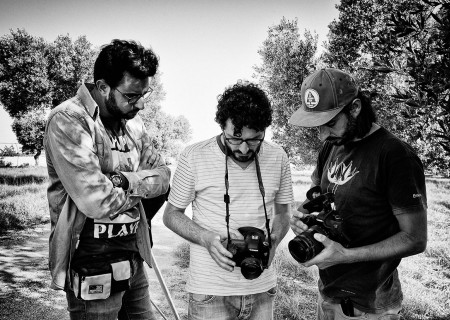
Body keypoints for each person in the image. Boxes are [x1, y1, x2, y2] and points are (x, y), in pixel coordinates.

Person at [44, 39, 171, 320]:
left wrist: (123, 181)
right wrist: (141, 182)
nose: (139, 104)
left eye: (144, 95)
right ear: (102, 87)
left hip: (133, 255)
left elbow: (164, 178)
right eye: (130, 96)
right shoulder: (69, 120)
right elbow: (97, 201)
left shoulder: (135, 124)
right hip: (90, 259)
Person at [288, 68, 428, 320]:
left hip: (370, 304)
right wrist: (301, 216)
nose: (322, 135)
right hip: (328, 293)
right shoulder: (330, 147)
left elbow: (415, 238)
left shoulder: (394, 155)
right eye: (317, 126)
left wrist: (346, 255)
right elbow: (315, 198)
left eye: (330, 123)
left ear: (354, 109)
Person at [163, 81, 294, 320]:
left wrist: (274, 239)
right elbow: (171, 215)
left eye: (254, 139)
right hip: (210, 291)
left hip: (262, 286)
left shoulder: (278, 156)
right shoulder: (194, 156)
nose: (244, 148)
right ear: (222, 126)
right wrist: (205, 238)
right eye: (235, 138)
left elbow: (284, 212)